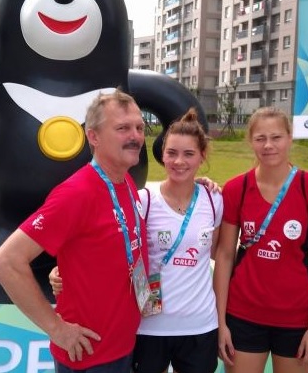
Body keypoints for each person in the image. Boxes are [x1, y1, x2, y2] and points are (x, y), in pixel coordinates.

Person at [51, 108, 224, 373]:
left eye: (189, 154)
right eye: (172, 153)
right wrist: (60, 271)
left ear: (202, 156)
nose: (179, 162)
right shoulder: (142, 200)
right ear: (162, 155)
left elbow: (216, 253)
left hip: (200, 325)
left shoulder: (214, 200)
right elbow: (108, 248)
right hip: (149, 325)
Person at [0, 90, 148, 373]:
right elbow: (6, 263)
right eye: (122, 128)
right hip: (88, 357)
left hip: (123, 345)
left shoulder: (126, 184)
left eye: (139, 127)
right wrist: (56, 329)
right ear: (94, 137)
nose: (135, 136)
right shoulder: (76, 193)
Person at [213, 106, 308, 373]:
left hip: (296, 316)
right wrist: (220, 321)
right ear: (251, 142)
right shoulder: (237, 188)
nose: (268, 145)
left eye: (276, 137)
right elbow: (225, 255)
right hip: (243, 313)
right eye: (260, 138)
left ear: (290, 138)